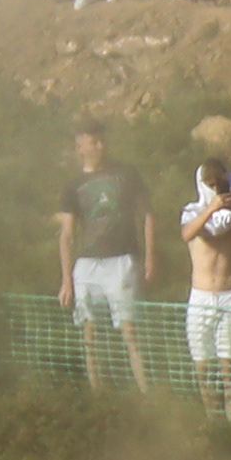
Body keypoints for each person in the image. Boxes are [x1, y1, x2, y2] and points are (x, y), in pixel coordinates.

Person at [55, 120, 154, 393]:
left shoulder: (127, 174)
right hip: (86, 264)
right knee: (89, 334)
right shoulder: (73, 185)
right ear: (80, 147)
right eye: (94, 141)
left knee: (130, 332)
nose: (101, 145)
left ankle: (146, 395)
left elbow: (146, 215)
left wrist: (149, 257)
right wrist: (66, 280)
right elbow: (67, 234)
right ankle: (98, 397)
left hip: (122, 260)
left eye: (102, 140)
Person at [179, 156, 231, 420]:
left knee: (229, 363)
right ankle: (212, 416)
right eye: (210, 184)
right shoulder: (193, 212)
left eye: (219, 183)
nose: (216, 188)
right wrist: (211, 209)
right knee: (202, 362)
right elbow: (187, 234)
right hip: (201, 295)